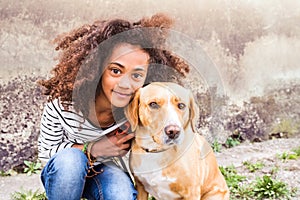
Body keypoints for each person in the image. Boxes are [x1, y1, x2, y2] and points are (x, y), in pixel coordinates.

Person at [37, 13, 189, 200]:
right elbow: (46, 155)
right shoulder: (63, 106)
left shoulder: (142, 109)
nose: (125, 84)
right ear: (97, 68)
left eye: (136, 75)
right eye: (116, 71)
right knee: (70, 161)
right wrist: (93, 149)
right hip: (65, 175)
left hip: (107, 173)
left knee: (121, 194)